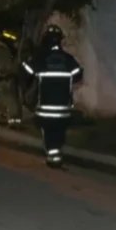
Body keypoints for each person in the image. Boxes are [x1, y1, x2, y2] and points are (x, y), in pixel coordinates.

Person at [20, 24, 83, 168]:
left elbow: (25, 73)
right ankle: (56, 154)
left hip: (45, 107)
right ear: (60, 40)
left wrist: (25, 60)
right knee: (59, 131)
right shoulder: (68, 59)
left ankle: (53, 156)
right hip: (63, 107)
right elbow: (78, 75)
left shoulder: (40, 58)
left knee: (48, 132)